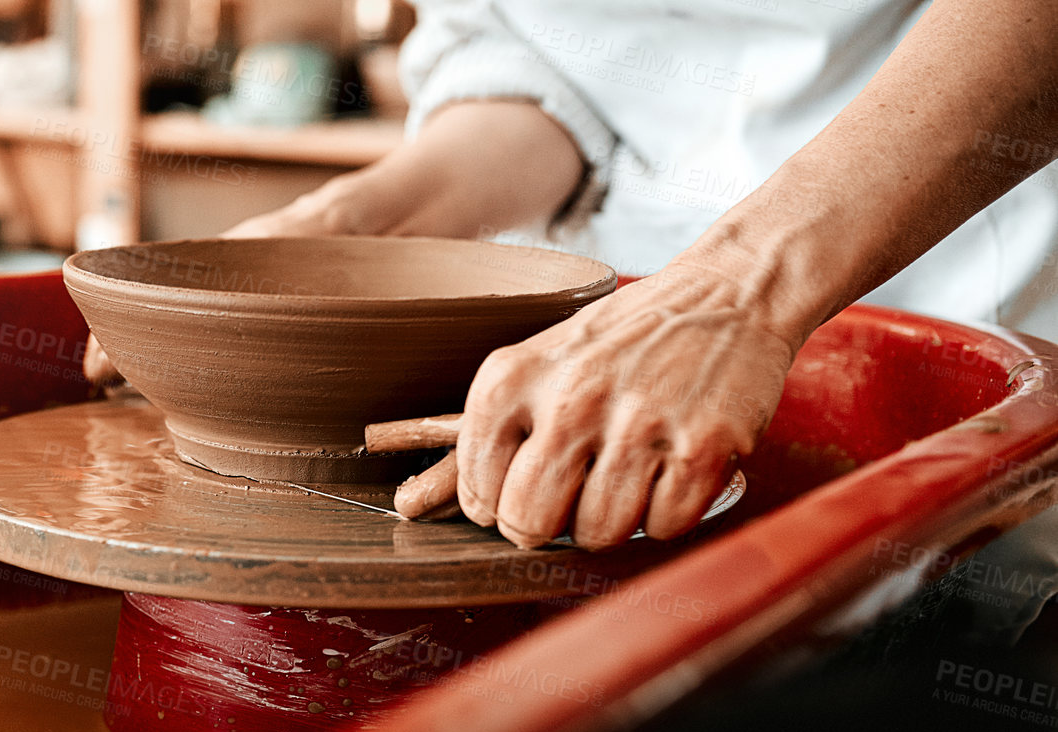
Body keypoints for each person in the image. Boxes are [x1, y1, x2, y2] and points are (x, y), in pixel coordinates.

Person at [87, 0, 1058, 564]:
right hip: (599, 319)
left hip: (950, 267)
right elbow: (546, 64)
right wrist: (355, 226)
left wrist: (730, 292)